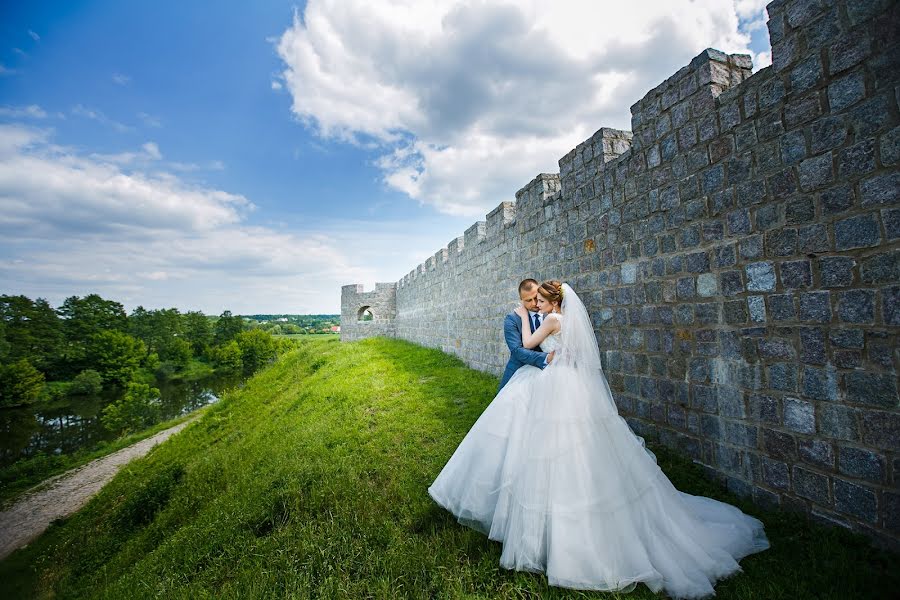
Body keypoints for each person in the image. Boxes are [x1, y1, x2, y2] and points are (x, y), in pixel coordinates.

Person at [428, 280, 769, 599]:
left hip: (554, 386)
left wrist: (528, 319)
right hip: (572, 385)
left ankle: (550, 532)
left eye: (542, 301)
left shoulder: (549, 321)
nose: (538, 305)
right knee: (578, 446)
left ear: (553, 302)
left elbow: (528, 345)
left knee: (548, 448)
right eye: (534, 302)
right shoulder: (569, 322)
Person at [498, 279, 552, 391]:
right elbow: (517, 350)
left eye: (536, 298)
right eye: (528, 300)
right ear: (521, 300)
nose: (534, 303)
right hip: (519, 370)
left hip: (549, 373)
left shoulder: (551, 313)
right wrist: (546, 358)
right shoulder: (512, 319)